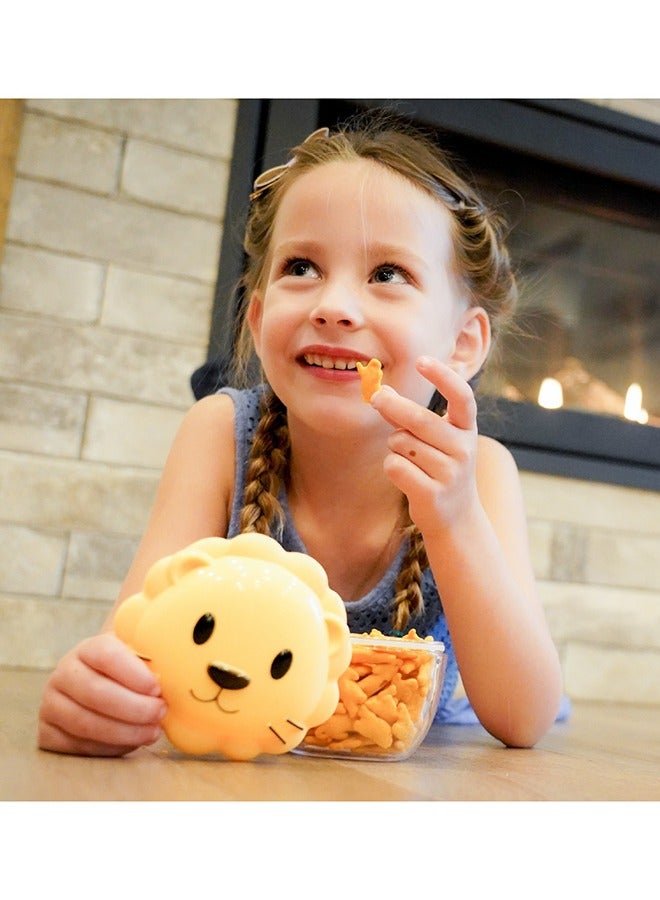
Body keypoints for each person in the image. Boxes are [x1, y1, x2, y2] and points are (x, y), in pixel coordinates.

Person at [38, 114, 564, 757]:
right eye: (303, 266)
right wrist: (98, 695)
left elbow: (526, 718)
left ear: (462, 344)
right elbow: (135, 645)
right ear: (258, 320)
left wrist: (453, 520)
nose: (334, 304)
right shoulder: (222, 433)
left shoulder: (479, 471)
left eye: (388, 274)